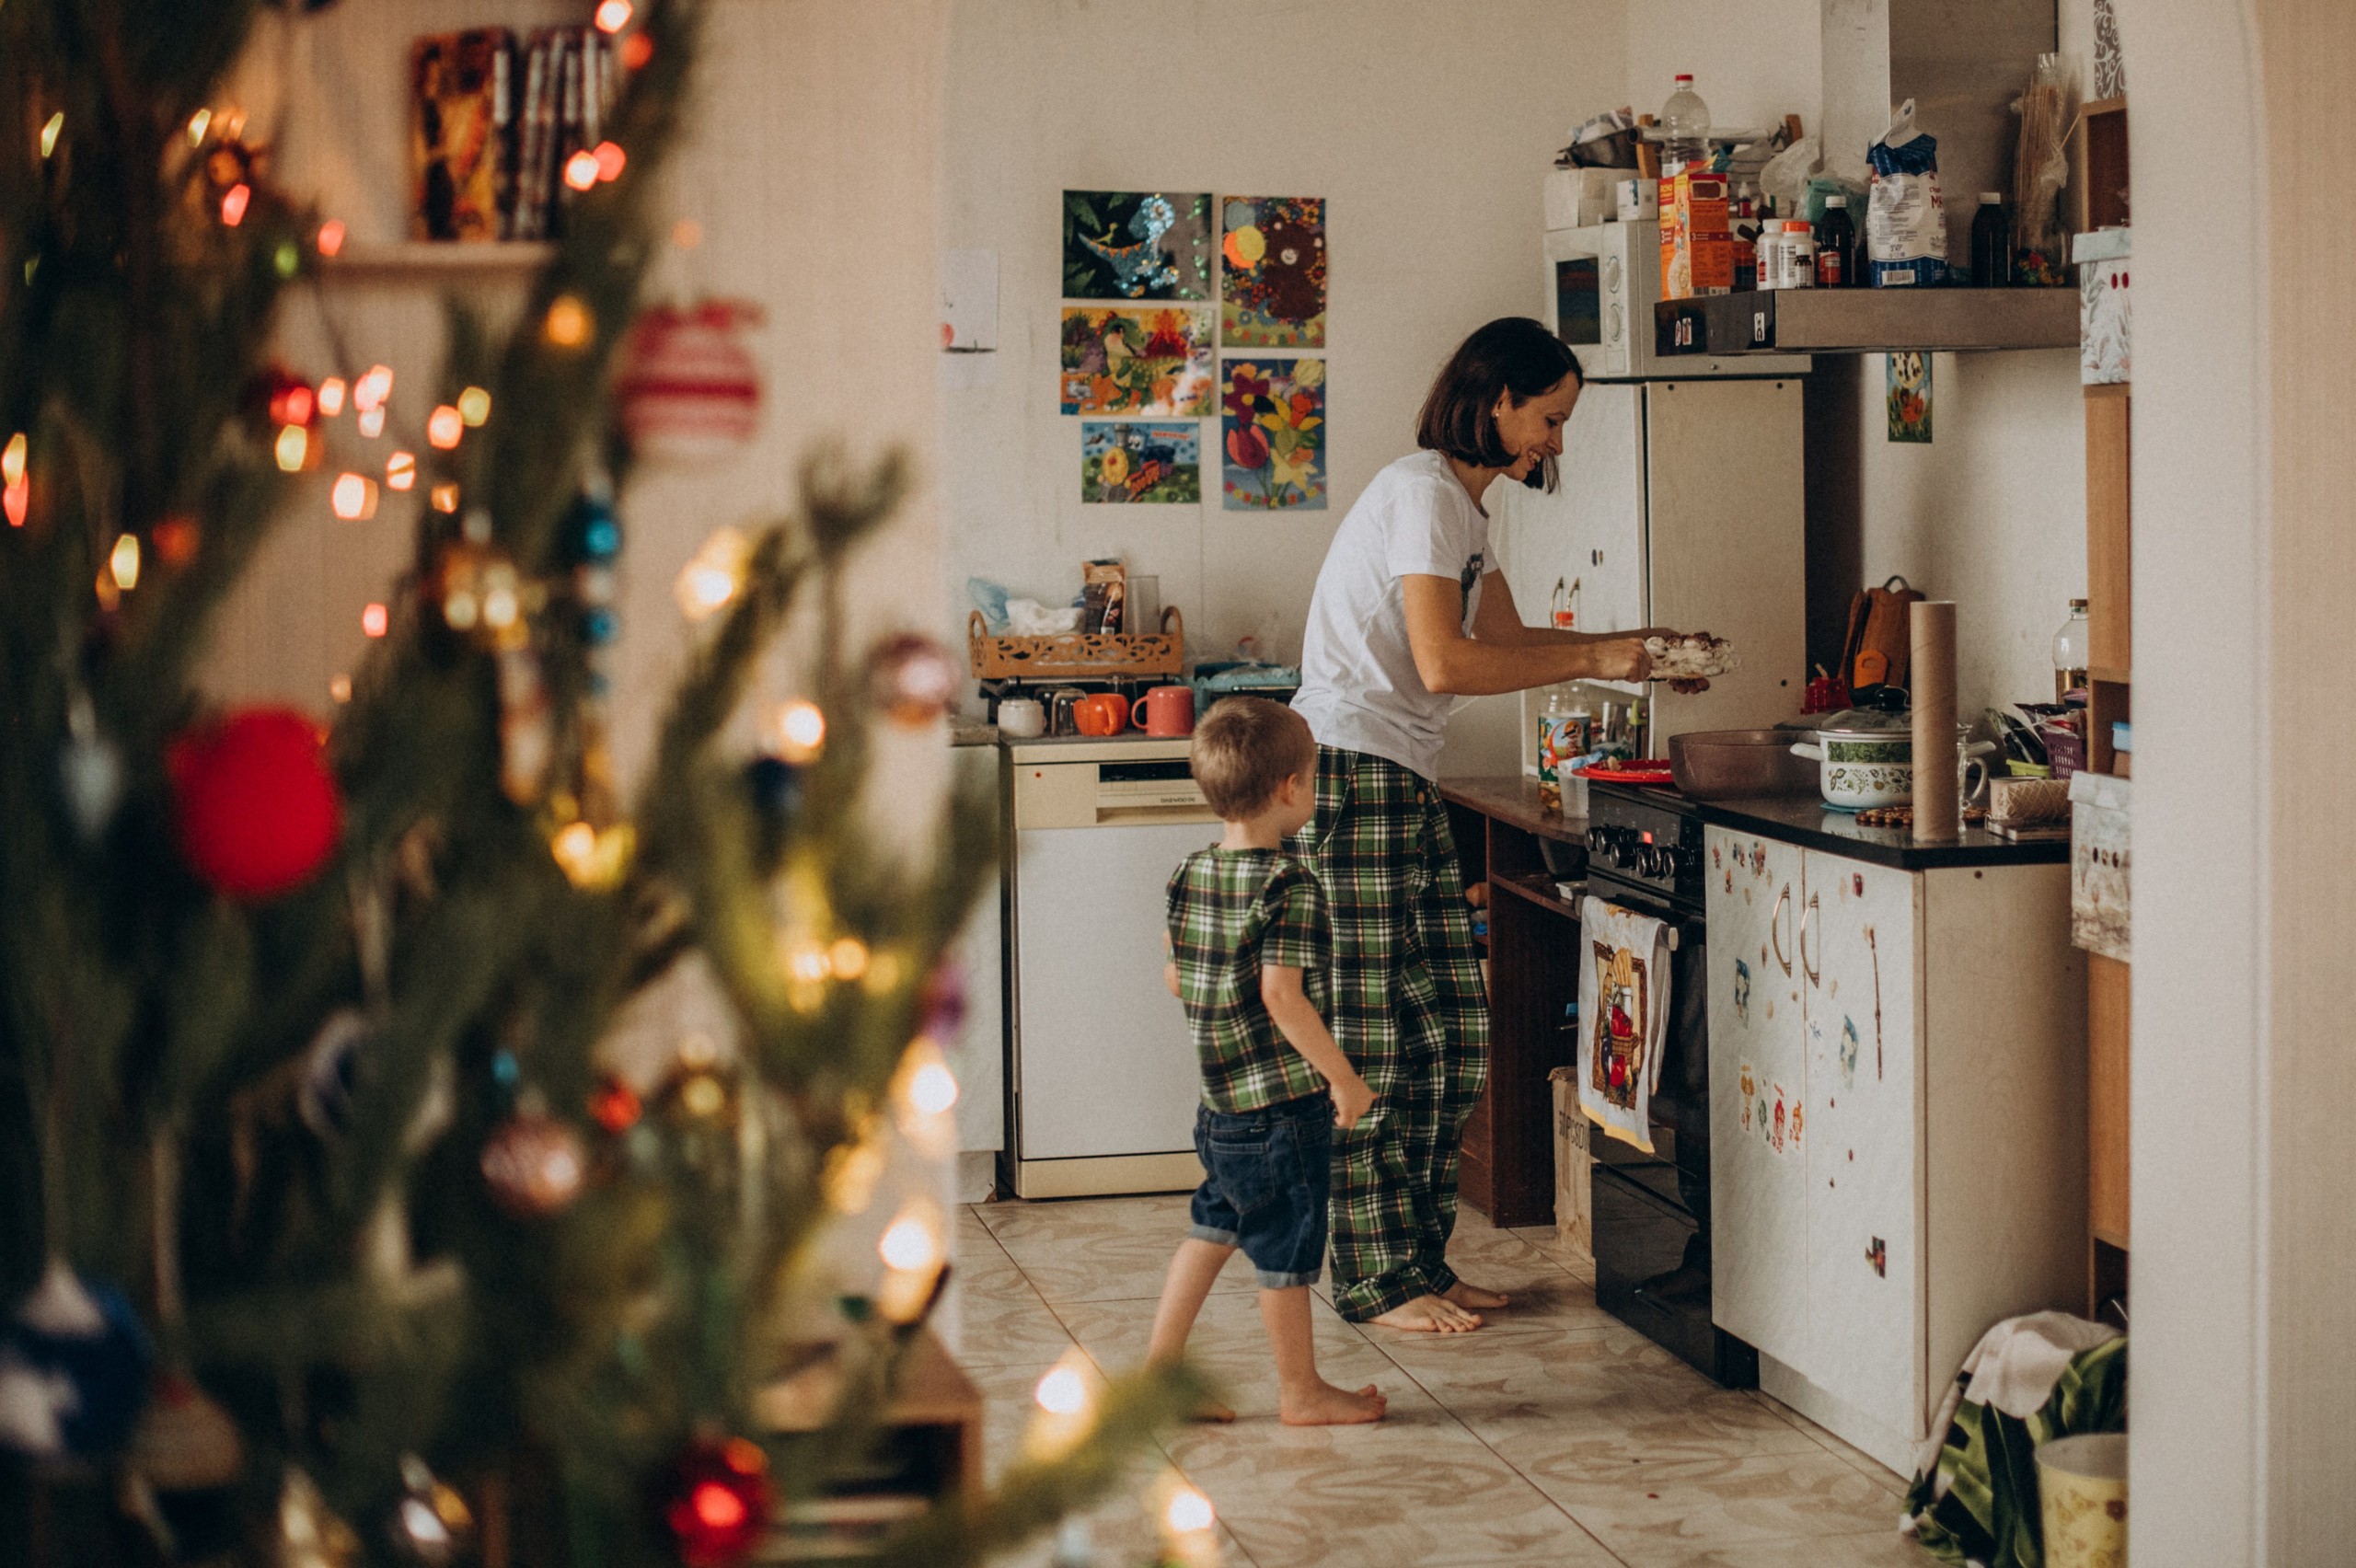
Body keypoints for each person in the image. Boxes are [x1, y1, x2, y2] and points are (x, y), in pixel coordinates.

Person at [1288, 317, 1703, 1333]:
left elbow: (1507, 642)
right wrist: (1599, 660)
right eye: (1549, 420)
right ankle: (1377, 1279)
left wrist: (1628, 646)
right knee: (1387, 1039)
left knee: (1454, 1034)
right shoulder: (1423, 496)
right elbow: (1444, 665)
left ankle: (1419, 1264)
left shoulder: (1464, 517)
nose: (1554, 443)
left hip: (1397, 777)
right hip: (1352, 777)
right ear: (1496, 401)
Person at [1147, 698, 1386, 1425]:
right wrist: (1343, 1077)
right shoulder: (1290, 885)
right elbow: (1282, 996)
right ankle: (1301, 1391)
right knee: (1285, 1247)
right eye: (1312, 781)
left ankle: (1159, 1376)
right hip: (1280, 1110)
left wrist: (1218, 1019)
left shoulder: (1192, 873)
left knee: (1211, 1228)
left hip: (1219, 1106)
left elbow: (1174, 974)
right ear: (1289, 789)